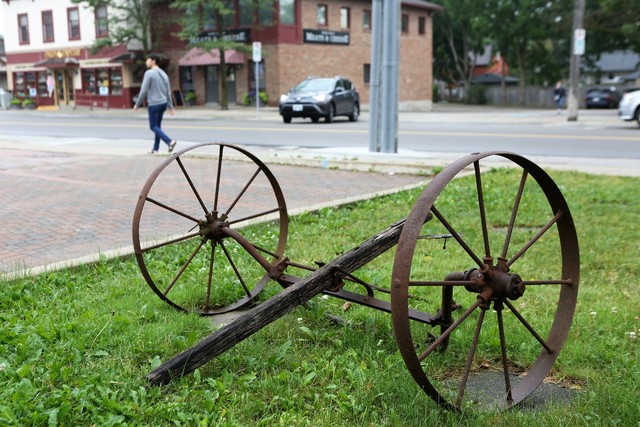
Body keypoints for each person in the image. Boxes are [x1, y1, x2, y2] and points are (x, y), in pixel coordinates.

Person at [134, 53, 177, 154]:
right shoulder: (164, 74)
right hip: (163, 103)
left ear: (153, 61)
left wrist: (137, 103)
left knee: (153, 126)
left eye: (148, 60)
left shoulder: (149, 73)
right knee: (157, 126)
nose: (146, 62)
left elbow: (143, 90)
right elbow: (168, 92)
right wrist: (171, 106)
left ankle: (169, 141)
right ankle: (155, 149)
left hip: (154, 104)